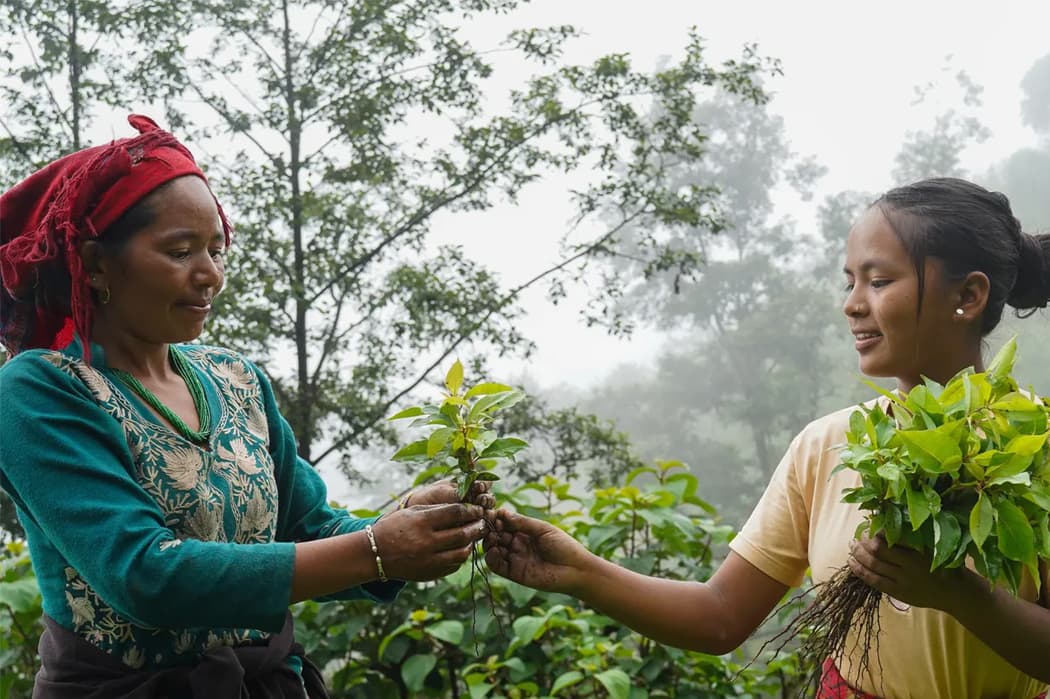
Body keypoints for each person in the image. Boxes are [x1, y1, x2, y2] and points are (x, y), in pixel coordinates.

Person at [484, 178, 1050, 699]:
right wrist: (580, 572)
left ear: (969, 296)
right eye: (850, 282)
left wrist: (963, 596)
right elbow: (722, 615)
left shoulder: (1037, 450)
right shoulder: (829, 446)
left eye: (878, 281)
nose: (852, 304)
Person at [0, 115, 491, 697]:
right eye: (181, 251)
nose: (211, 275)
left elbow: (311, 528)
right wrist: (376, 550)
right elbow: (145, 575)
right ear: (96, 263)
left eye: (216, 248)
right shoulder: (40, 391)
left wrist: (403, 526)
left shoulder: (235, 379)